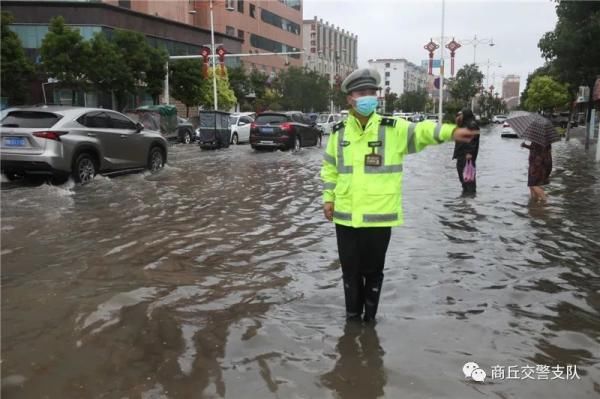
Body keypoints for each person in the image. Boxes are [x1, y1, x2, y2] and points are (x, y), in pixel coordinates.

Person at [320, 68, 479, 323]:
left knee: (373, 273)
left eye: (372, 92)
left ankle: (369, 322)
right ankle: (352, 321)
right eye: (362, 93)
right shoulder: (339, 133)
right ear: (350, 98)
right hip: (345, 217)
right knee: (350, 272)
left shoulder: (392, 128)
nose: (368, 97)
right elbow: (330, 168)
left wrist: (449, 133)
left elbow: (422, 131)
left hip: (379, 217)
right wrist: (328, 198)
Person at [452, 110, 480, 194]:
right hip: (461, 155)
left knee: (468, 179)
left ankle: (470, 197)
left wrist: (469, 152)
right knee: (464, 178)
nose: (460, 116)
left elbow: (472, 140)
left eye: (462, 114)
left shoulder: (472, 125)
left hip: (467, 156)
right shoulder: (465, 124)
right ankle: (466, 197)